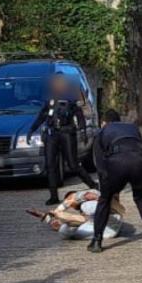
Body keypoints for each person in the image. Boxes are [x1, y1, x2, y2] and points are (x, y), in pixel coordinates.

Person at [87, 109, 142, 253]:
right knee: (141, 197)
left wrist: (105, 185)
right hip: (139, 163)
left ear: (105, 122)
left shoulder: (102, 132)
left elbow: (99, 162)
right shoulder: (132, 128)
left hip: (117, 164)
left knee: (105, 200)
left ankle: (97, 241)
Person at [30, 73, 97, 205]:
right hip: (52, 134)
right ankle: (53, 195)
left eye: (59, 82)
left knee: (73, 165)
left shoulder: (71, 97)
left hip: (67, 133)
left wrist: (82, 131)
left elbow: (79, 115)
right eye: (54, 82)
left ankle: (93, 185)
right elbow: (42, 115)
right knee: (50, 165)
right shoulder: (49, 99)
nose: (56, 85)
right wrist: (32, 130)